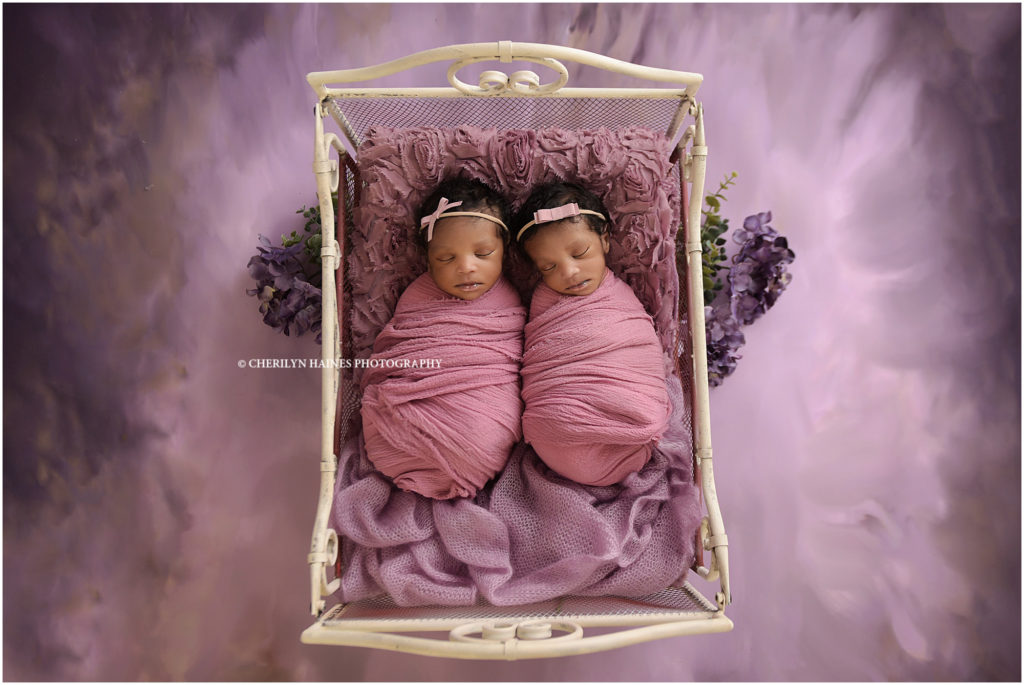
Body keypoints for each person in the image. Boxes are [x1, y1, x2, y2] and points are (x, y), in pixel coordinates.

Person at [358, 177, 526, 500]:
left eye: (483, 253)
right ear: (428, 259)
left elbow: (512, 365)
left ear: (505, 248)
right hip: (400, 423)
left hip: (475, 436)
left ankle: (464, 453)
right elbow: (400, 351)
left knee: (481, 432)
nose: (466, 268)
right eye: (446, 259)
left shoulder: (509, 304)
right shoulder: (417, 296)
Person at [515, 181, 671, 486]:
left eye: (580, 253)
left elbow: (638, 349)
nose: (569, 272)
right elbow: (539, 360)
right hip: (559, 437)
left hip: (631, 429)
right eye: (549, 266)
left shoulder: (621, 300)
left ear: (604, 240)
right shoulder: (543, 303)